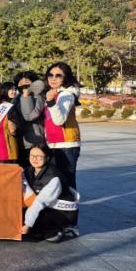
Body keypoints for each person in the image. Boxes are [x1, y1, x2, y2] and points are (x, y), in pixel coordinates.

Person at [21, 144, 79, 242]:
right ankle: (37, 230)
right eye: (32, 156)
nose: (34, 159)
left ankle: (59, 230)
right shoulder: (28, 171)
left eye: (39, 156)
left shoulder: (54, 177)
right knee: (21, 215)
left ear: (47, 158)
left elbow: (40, 202)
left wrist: (27, 225)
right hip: (46, 206)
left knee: (40, 220)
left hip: (61, 211)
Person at [44, 62, 82, 191]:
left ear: (65, 77)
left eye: (58, 75)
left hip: (66, 144)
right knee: (57, 183)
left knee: (66, 183)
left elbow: (59, 120)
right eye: (50, 75)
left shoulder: (66, 95)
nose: (53, 78)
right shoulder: (55, 93)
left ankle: (70, 204)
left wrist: (50, 102)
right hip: (54, 143)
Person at [12, 71, 46, 168]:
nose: (24, 85)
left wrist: (26, 96)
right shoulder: (16, 99)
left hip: (34, 141)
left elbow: (29, 116)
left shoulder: (38, 97)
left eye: (27, 82)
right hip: (20, 142)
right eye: (21, 82)